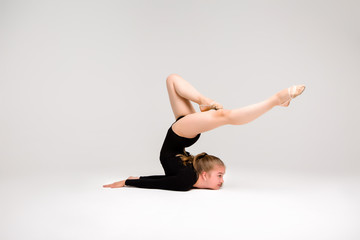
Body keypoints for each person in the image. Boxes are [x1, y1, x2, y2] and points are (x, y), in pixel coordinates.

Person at [103, 74, 305, 191]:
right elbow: (163, 180)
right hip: (182, 135)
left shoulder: (187, 180)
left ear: (205, 174)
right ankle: (203, 101)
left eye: (220, 176)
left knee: (225, 116)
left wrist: (130, 181)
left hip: (180, 135)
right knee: (172, 79)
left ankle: (276, 100)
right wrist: (134, 179)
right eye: (221, 176)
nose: (222, 180)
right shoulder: (188, 178)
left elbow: (162, 183)